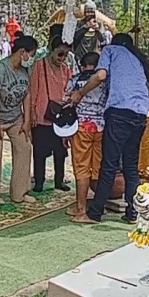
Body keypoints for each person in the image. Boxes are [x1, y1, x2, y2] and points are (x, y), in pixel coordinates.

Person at [71, 33, 149, 224]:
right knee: (131, 166)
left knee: (109, 164)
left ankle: (95, 213)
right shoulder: (139, 59)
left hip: (119, 113)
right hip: (140, 114)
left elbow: (100, 75)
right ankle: (133, 213)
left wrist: (80, 93)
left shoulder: (110, 50)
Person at [0, 35, 39, 215]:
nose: (32, 58)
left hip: (16, 118)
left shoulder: (24, 71)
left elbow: (27, 95)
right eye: (31, 54)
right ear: (22, 52)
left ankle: (19, 193)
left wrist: (27, 121)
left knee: (24, 148)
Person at [62, 52, 107, 219]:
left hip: (81, 128)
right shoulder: (106, 81)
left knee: (81, 169)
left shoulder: (75, 80)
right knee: (98, 169)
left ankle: (80, 208)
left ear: (82, 65)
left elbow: (66, 102)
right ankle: (98, 206)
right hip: (102, 128)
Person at [28, 36, 74, 193]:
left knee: (60, 151)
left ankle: (59, 180)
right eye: (60, 54)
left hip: (60, 117)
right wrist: (32, 112)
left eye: (66, 55)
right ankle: (39, 181)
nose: (62, 58)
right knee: (39, 151)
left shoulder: (66, 70)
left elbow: (69, 91)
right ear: (51, 50)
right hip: (42, 115)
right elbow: (33, 90)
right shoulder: (39, 66)